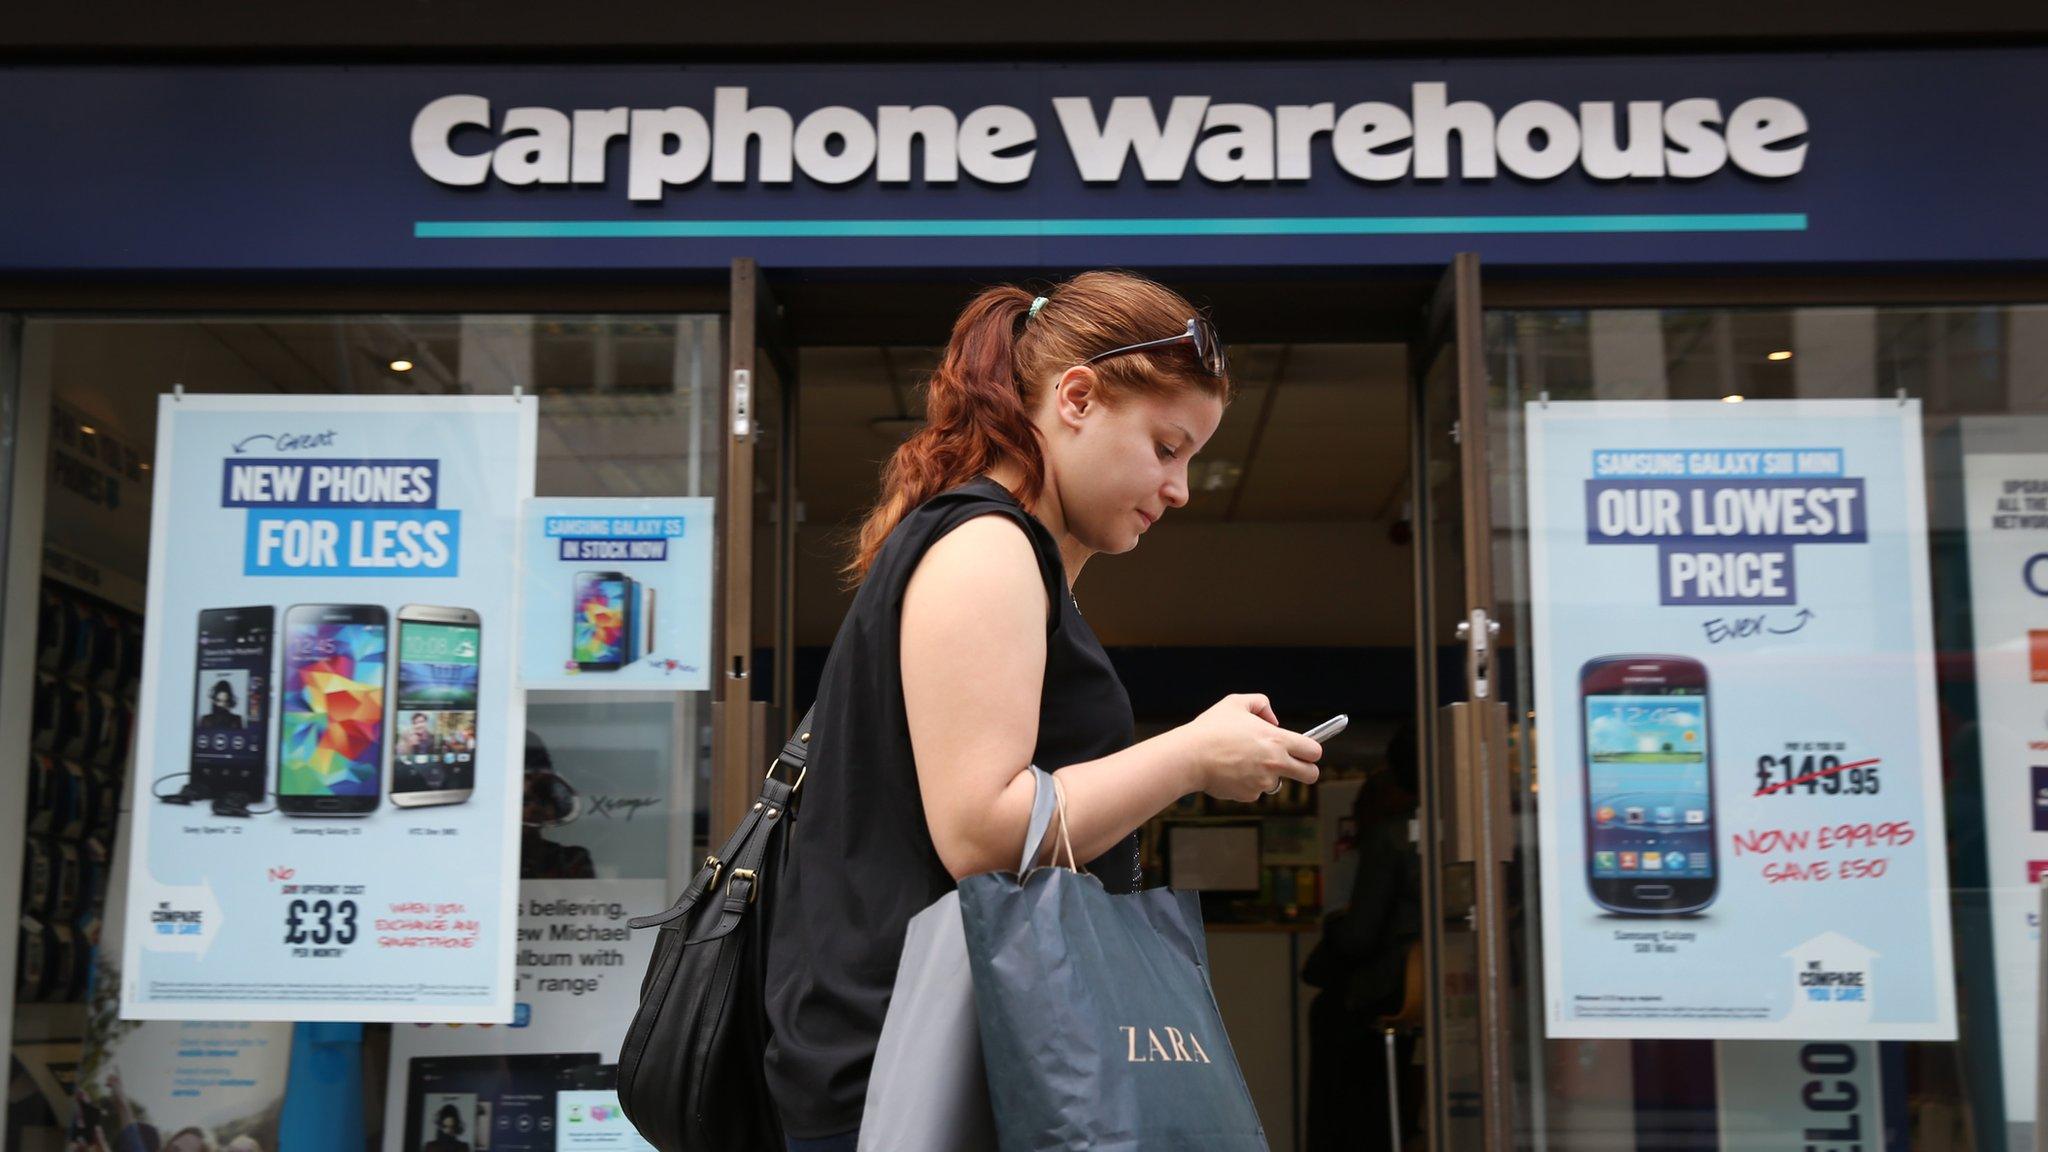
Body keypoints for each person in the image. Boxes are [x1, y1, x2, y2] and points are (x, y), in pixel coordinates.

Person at [763, 271, 1326, 1151]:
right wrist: (1189, 757)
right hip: (923, 1077)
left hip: (930, 1058)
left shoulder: (998, 548)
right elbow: (982, 832)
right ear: (1075, 398)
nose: (1180, 488)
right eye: (1166, 446)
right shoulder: (987, 548)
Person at [1302, 723, 1423, 1152]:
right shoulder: (1468, 826)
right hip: (1438, 989)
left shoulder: (1390, 836)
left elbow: (1359, 937)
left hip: (1389, 991)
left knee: (1328, 1013)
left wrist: (1334, 921)